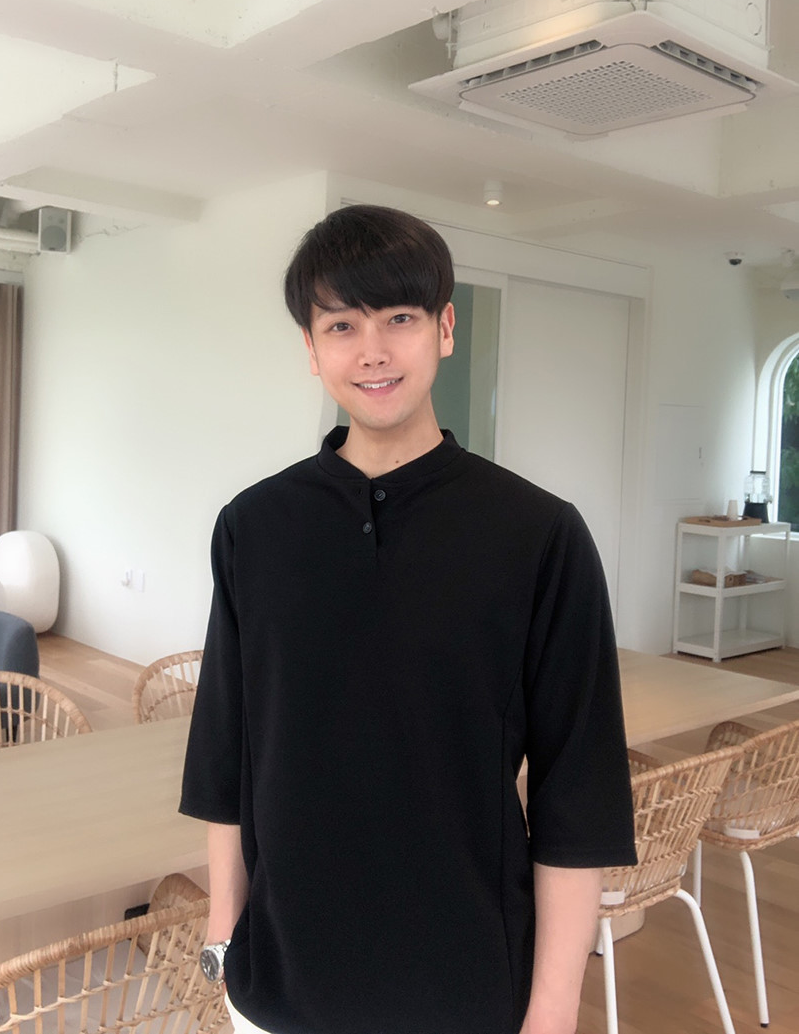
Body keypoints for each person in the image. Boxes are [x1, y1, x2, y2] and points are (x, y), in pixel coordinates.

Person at [180, 204, 636, 1034]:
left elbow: (579, 796)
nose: (373, 350)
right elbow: (225, 753)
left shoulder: (538, 534)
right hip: (279, 986)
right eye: (342, 325)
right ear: (311, 347)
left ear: (444, 328)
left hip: (467, 988)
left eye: (399, 318)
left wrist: (552, 1011)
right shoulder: (254, 527)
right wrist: (223, 938)